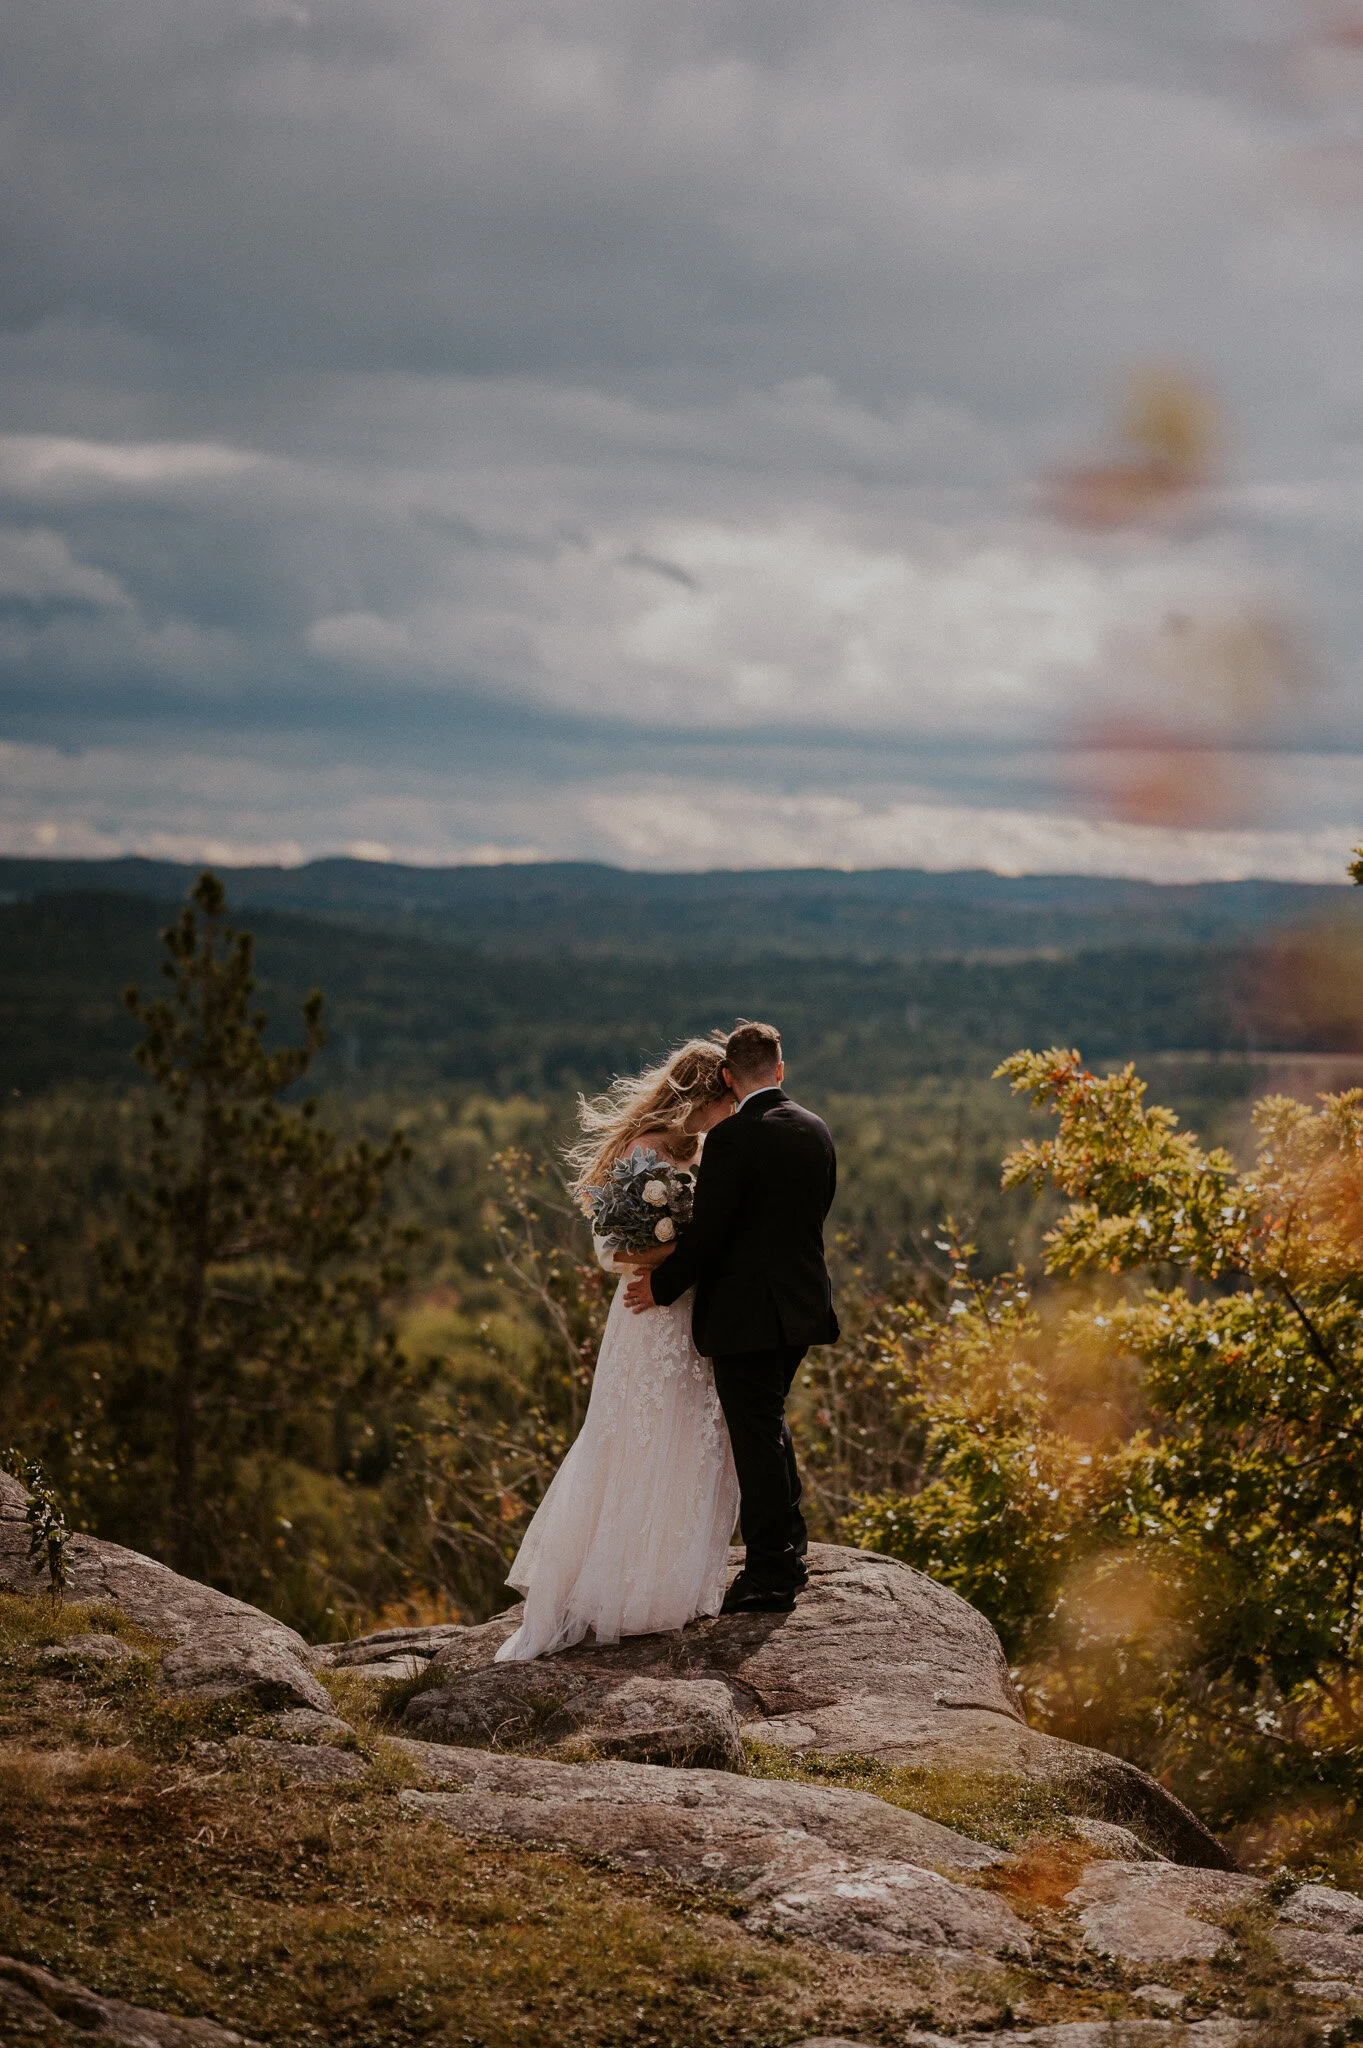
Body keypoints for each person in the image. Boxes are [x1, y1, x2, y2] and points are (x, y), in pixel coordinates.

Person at [494, 1039, 740, 1662]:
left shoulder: (707, 1149)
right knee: (635, 1437)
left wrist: (696, 1255)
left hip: (692, 1314)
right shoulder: (642, 1151)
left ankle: (665, 1588)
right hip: (648, 1316)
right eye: (727, 1098)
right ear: (704, 1095)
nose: (733, 1110)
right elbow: (610, 1252)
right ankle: (612, 1588)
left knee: (691, 1437)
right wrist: (683, 1254)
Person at [625, 1020, 838, 1615]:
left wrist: (659, 1287)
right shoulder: (815, 1129)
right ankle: (788, 1545)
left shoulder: (732, 1139)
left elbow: (710, 1239)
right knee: (768, 1425)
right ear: (779, 1069)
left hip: (748, 1317)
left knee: (755, 1438)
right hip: (801, 1308)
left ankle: (771, 1573)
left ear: (726, 1076)